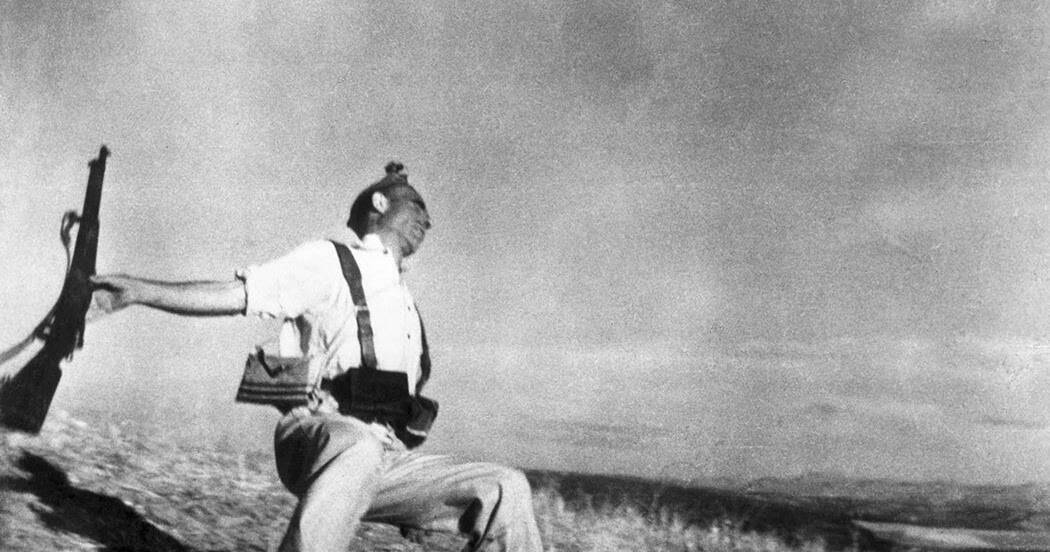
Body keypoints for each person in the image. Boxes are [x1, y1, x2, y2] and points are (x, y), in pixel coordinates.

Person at [90, 162, 543, 552]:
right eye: (417, 207)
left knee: (506, 487)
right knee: (358, 449)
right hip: (317, 433)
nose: (428, 221)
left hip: (384, 454)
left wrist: (417, 505)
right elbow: (238, 295)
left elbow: (403, 408)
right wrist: (139, 291)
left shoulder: (407, 306)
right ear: (381, 204)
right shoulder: (329, 261)